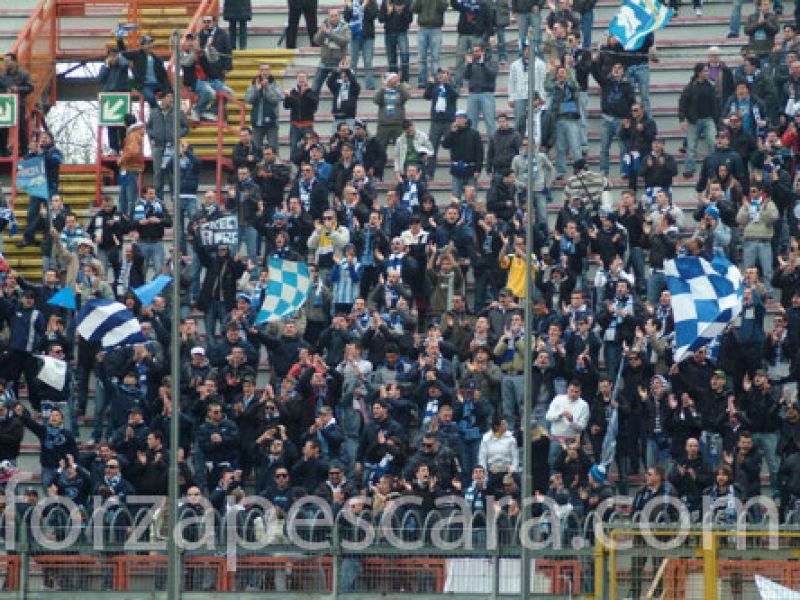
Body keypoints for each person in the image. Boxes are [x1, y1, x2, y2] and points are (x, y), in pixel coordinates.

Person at [146, 91, 189, 201]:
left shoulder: (178, 112)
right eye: (168, 96)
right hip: (158, 147)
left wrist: (177, 134)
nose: (171, 99)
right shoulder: (154, 112)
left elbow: (186, 128)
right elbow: (148, 127)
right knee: (158, 174)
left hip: (172, 147)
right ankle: (158, 201)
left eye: (172, 97)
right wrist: (153, 135)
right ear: (162, 99)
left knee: (172, 174)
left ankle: (174, 200)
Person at [117, 35, 169, 109]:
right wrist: (120, 41)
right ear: (142, 46)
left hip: (157, 84)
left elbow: (163, 75)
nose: (150, 45)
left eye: (150, 43)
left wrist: (168, 89)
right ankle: (159, 113)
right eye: (147, 44)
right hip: (145, 85)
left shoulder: (157, 59)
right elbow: (124, 53)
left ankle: (166, 113)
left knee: (170, 95)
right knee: (151, 98)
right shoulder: (137, 54)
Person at [245, 63, 284, 154]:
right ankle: (257, 166)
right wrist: (257, 90)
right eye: (262, 70)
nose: (264, 72)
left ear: (270, 71)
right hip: (257, 121)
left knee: (273, 148)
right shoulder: (254, 84)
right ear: (259, 71)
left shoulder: (276, 84)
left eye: (266, 70)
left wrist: (267, 87)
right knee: (256, 148)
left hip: (272, 121)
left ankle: (274, 166)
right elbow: (248, 100)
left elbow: (276, 99)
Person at [0, 53, 33, 155]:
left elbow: (30, 88)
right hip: (5, 105)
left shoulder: (24, 74)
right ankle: (3, 151)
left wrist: (18, 89)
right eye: (4, 62)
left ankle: (23, 151)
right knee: (2, 129)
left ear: (14, 61)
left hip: (18, 104)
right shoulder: (2, 75)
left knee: (21, 127)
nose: (5, 64)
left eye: (8, 61)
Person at [312, 9, 351, 94]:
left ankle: (339, 106)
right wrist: (322, 32)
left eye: (335, 16)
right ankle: (312, 106)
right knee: (315, 88)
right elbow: (316, 41)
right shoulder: (324, 26)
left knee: (339, 89)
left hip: (339, 63)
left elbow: (344, 41)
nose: (333, 18)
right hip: (324, 62)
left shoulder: (345, 27)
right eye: (331, 16)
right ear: (329, 17)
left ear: (339, 16)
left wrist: (330, 33)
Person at [464, 41, 499, 137]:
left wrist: (483, 64)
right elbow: (466, 76)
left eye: (477, 51)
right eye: (474, 51)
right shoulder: (471, 63)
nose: (475, 53)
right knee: (471, 123)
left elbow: (492, 75)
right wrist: (469, 65)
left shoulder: (492, 62)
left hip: (487, 94)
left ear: (483, 52)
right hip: (473, 94)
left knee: (490, 123)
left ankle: (493, 149)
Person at [411, 0, 448, 88]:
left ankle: (435, 82)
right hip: (422, 28)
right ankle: (422, 82)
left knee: (435, 57)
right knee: (421, 57)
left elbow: (444, 8)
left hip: (436, 28)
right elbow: (413, 9)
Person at [344, 0, 379, 90]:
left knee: (368, 62)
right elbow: (346, 18)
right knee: (352, 62)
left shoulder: (372, 2)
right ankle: (352, 85)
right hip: (354, 35)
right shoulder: (350, 2)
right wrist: (350, 7)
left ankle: (370, 86)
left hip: (368, 36)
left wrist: (365, 6)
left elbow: (373, 16)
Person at [379, 0, 413, 84]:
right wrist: (388, 13)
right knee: (391, 59)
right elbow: (380, 19)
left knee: (405, 57)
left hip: (402, 32)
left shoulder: (407, 2)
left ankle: (405, 80)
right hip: (389, 33)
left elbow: (410, 19)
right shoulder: (385, 2)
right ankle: (393, 81)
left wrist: (401, 12)